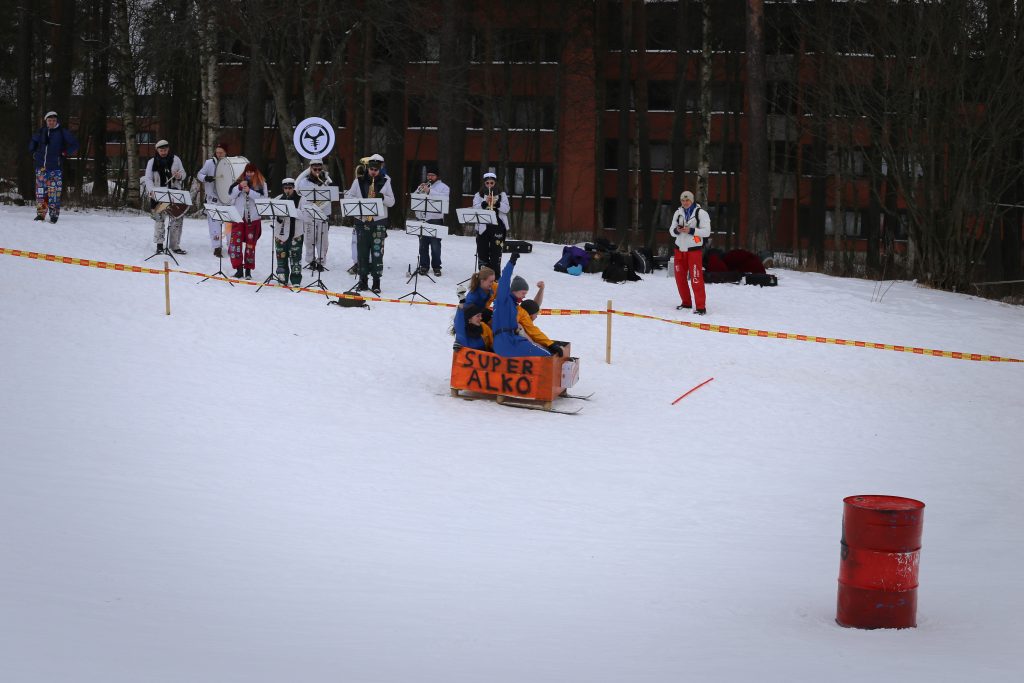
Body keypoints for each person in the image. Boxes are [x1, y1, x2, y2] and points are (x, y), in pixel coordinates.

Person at [347, 153, 395, 294]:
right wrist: (358, 202)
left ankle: (376, 282)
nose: (373, 172)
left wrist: (381, 196)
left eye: (376, 169)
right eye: (371, 169)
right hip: (362, 221)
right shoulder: (358, 181)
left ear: (380, 169)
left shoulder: (385, 182)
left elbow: (392, 202)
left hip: (378, 221)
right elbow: (349, 196)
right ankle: (362, 281)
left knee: (377, 253)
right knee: (362, 252)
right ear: (367, 168)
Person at [492, 252, 555, 358]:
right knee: (547, 357)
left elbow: (535, 307)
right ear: (514, 291)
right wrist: (511, 263)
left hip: (511, 340)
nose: (524, 296)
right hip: (505, 342)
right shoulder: (504, 300)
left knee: (546, 354)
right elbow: (504, 280)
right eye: (523, 293)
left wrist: (551, 344)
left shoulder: (515, 306)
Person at [29, 111, 79, 224]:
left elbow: (75, 144)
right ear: (46, 121)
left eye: (54, 120)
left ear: (57, 121)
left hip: (55, 169)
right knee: (41, 193)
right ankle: (41, 215)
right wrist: (33, 152)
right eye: (49, 120)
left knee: (53, 193)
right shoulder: (42, 131)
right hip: (41, 168)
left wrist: (65, 153)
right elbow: (33, 141)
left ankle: (54, 216)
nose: (51, 122)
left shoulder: (62, 132)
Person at [670, 190, 711, 315]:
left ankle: (700, 307)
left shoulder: (701, 213)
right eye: (683, 200)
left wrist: (691, 230)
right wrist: (677, 230)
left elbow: (706, 232)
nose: (685, 202)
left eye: (687, 200)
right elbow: (671, 230)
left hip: (693, 251)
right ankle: (686, 303)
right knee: (680, 278)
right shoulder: (678, 212)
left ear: (692, 200)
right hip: (679, 250)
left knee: (696, 278)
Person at [142, 140, 187, 254]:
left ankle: (175, 245)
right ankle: (159, 245)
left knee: (177, 220)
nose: (163, 152)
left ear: (168, 149)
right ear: (157, 150)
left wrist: (179, 175)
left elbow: (184, 174)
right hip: (159, 194)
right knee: (159, 220)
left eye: (165, 150)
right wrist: (152, 191)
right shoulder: (152, 162)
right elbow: (148, 178)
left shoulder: (176, 159)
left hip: (174, 194)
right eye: (161, 150)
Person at [227, 163, 267, 279]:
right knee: (235, 244)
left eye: (251, 172)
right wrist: (239, 187)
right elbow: (231, 196)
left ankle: (248, 270)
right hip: (238, 218)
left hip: (253, 218)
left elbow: (263, 199)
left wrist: (250, 191)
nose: (249, 174)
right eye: (247, 172)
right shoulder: (238, 182)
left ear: (256, 172)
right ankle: (238, 269)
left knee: (250, 246)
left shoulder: (261, 184)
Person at [296, 157, 333, 271]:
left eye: (319, 168)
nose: (317, 171)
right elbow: (298, 189)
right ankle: (311, 260)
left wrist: (325, 182)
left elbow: (330, 196)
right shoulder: (304, 181)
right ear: (310, 168)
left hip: (323, 212)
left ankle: (321, 261)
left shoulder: (327, 181)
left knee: (323, 239)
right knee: (309, 238)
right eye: (314, 169)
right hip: (309, 212)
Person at [413, 164, 450, 276]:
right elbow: (414, 199)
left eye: (432, 175)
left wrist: (429, 191)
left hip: (435, 219)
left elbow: (444, 199)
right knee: (422, 245)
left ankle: (436, 267)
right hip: (423, 219)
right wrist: (419, 191)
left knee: (435, 245)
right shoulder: (423, 185)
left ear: (437, 176)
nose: (430, 177)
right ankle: (424, 266)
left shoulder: (444, 187)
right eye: (428, 175)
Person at [471, 172, 509, 272]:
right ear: (484, 184)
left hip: (498, 227)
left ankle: (495, 276)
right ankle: (484, 276)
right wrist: (484, 203)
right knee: (482, 252)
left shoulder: (502, 194)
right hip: (483, 227)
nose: (489, 185)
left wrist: (497, 203)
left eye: (491, 183)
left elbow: (506, 209)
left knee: (496, 254)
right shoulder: (478, 195)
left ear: (495, 183)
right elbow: (474, 208)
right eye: (487, 183)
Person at [195, 142, 228, 257]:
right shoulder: (209, 163)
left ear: (225, 153)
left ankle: (232, 246)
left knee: (229, 224)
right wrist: (206, 178)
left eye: (221, 152)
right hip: (213, 199)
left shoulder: (229, 163)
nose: (219, 154)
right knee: (214, 225)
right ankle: (217, 247)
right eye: (217, 152)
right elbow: (199, 174)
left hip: (226, 200)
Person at [273, 178, 307, 286]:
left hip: (296, 233)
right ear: (283, 188)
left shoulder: (302, 199)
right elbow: (272, 214)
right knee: (281, 257)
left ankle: (296, 280)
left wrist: (291, 208)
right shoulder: (278, 199)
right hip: (280, 234)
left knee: (295, 257)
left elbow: (304, 215)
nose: (288, 190)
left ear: (294, 188)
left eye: (290, 188)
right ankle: (282, 279)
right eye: (286, 188)